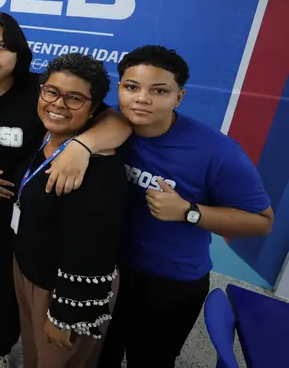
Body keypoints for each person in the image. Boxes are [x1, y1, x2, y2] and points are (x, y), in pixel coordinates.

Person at [0, 13, 132, 368]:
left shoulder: (42, 91)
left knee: (5, 288)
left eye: (3, 46)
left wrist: (83, 146)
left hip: (21, 215)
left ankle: (0, 348)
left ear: (19, 52)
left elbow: (116, 122)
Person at [98, 46, 274, 368]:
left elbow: (262, 222)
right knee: (98, 354)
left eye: (159, 91)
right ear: (119, 88)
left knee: (150, 360)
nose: (142, 99)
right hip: (106, 268)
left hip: (170, 281)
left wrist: (189, 212)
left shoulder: (216, 150)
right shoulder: (103, 124)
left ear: (179, 97)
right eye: (132, 87)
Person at [13, 53, 127, 368]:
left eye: (74, 98)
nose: (58, 104)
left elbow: (95, 247)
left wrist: (65, 314)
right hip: (30, 271)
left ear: (94, 108)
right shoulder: (48, 134)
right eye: (51, 91)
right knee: (34, 355)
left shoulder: (99, 168)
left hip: (64, 290)